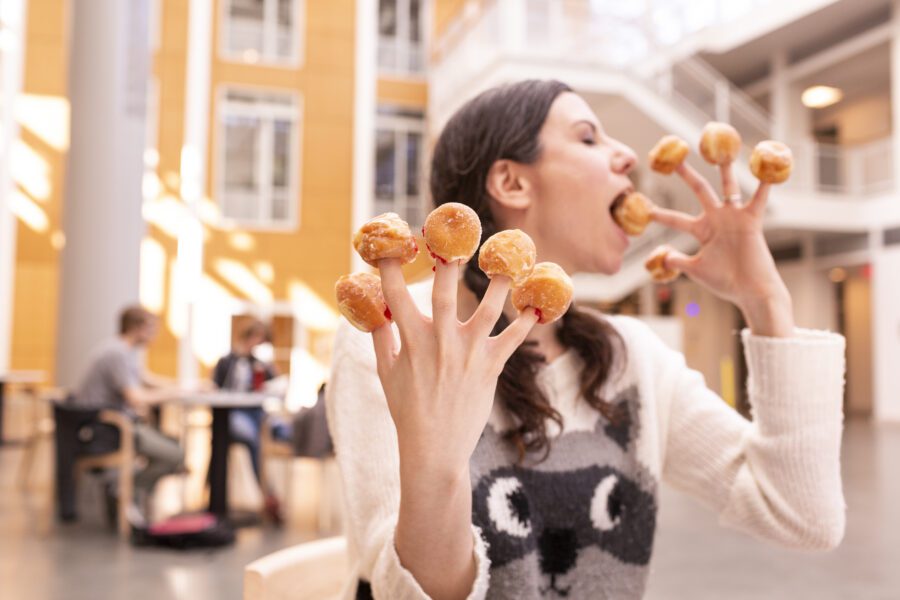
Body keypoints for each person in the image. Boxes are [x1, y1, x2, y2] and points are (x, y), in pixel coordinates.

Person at [326, 80, 846, 599]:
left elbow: (801, 516)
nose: (626, 156)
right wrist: (435, 464)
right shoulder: (391, 341)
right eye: (589, 138)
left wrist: (765, 301)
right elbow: (401, 590)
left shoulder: (631, 357)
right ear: (510, 181)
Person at [73, 305, 185, 521]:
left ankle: (127, 493)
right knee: (175, 455)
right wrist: (175, 392)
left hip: (117, 421)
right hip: (107, 426)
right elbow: (136, 397)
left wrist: (182, 386)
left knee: (171, 445)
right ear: (137, 328)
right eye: (151, 329)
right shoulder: (117, 353)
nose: (154, 335)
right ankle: (125, 491)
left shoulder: (125, 351)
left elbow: (146, 379)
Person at [211, 318, 283, 522]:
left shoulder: (258, 364)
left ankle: (271, 491)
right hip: (233, 412)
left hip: (255, 411)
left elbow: (274, 382)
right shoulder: (227, 361)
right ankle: (268, 493)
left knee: (279, 428)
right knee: (252, 438)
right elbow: (216, 386)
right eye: (257, 339)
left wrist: (269, 366)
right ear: (248, 337)